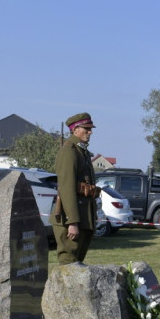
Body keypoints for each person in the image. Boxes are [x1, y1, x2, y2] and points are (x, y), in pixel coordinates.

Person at [53, 112, 99, 265]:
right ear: (75, 129)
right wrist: (72, 222)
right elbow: (66, 188)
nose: (90, 132)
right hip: (71, 220)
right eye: (86, 129)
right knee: (68, 265)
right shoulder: (69, 151)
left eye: (90, 129)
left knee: (77, 265)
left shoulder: (81, 151)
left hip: (83, 217)